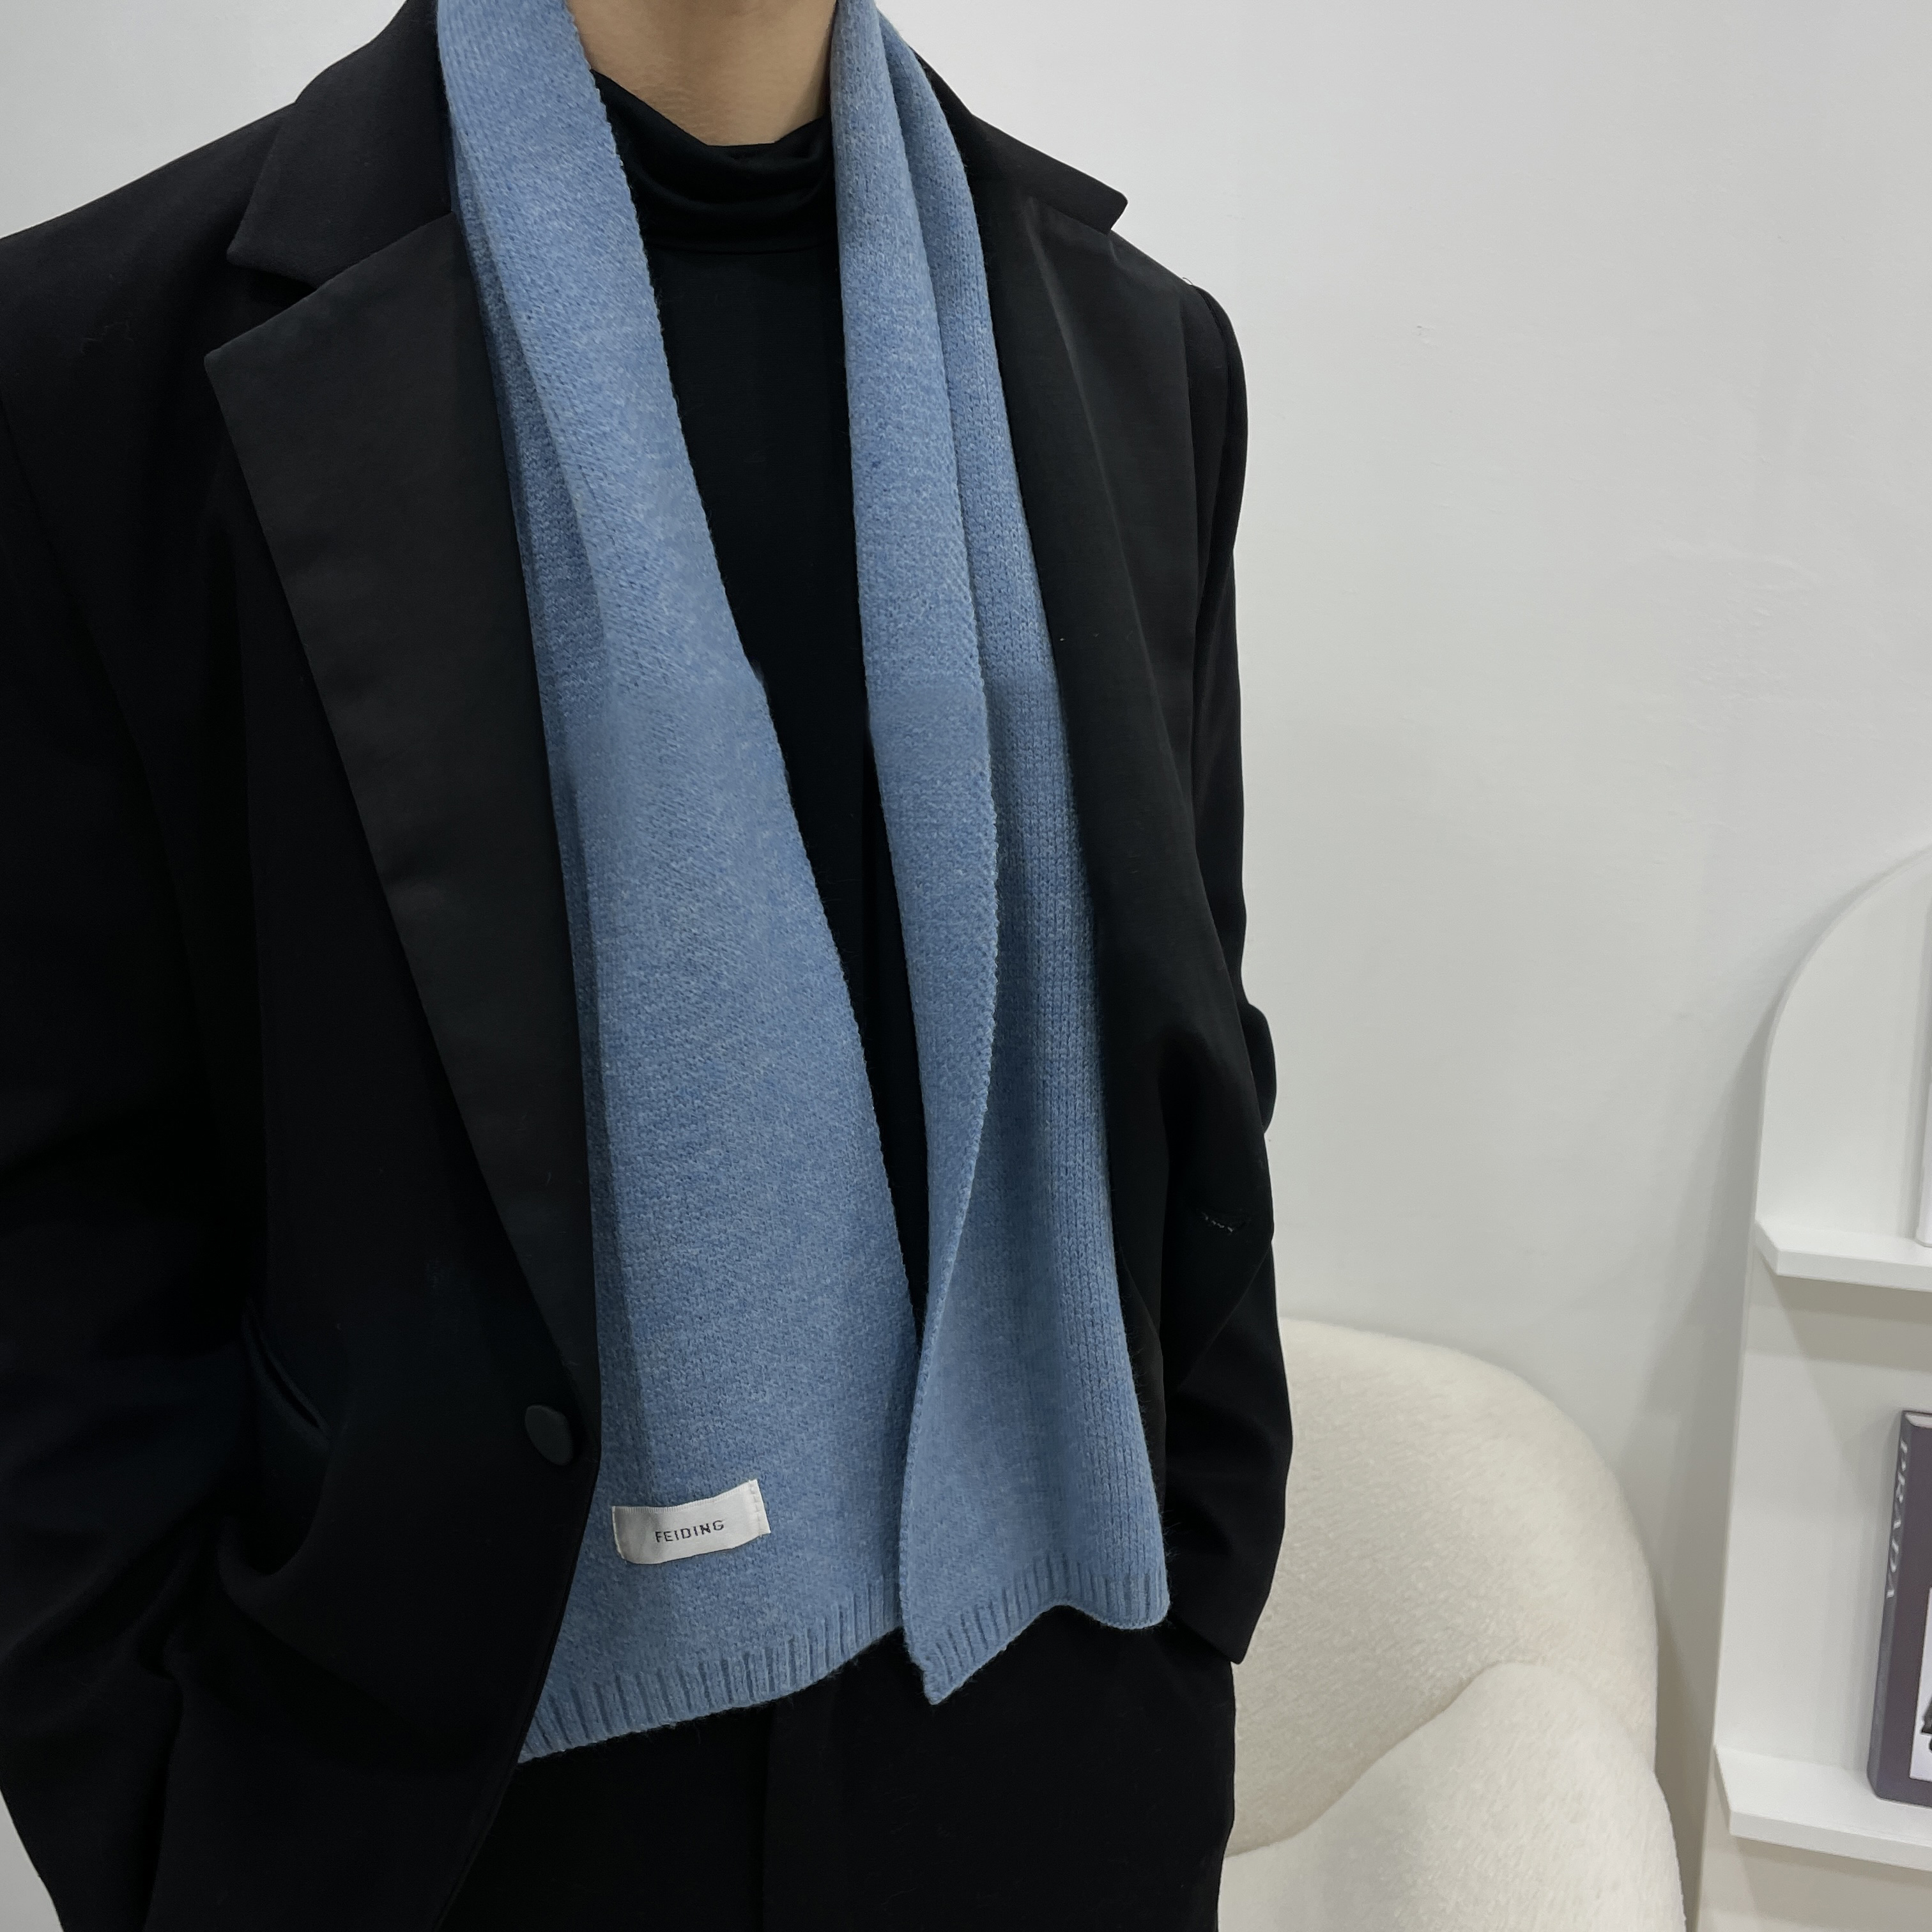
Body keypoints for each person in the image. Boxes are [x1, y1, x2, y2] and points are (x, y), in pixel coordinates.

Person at [0, 0, 1289, 1925]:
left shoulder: (1140, 348)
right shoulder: (92, 366)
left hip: (1051, 1750)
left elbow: (1194, 1029)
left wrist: (1201, 1573)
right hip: (446, 1805)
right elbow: (59, 1203)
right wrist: (174, 1821)